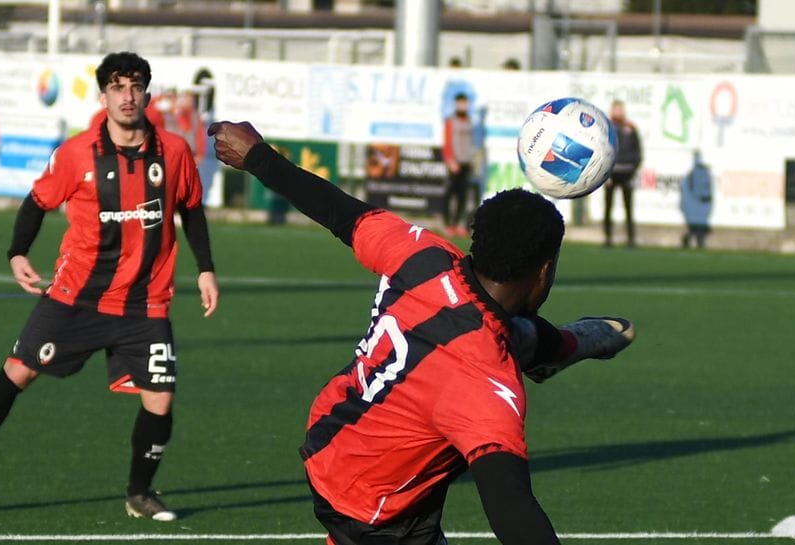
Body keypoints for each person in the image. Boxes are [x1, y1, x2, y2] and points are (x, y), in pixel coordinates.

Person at [209, 120, 636, 544]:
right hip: (376, 508)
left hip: (335, 431)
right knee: (503, 338)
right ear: (543, 271)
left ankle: (562, 346)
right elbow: (511, 506)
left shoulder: (421, 253)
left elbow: (338, 211)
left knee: (510, 332)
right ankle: (558, 349)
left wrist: (257, 157)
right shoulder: (485, 380)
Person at [0, 52, 220, 522]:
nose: (127, 96)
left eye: (135, 86)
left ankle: (140, 493)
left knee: (161, 399)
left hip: (145, 303)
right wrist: (18, 252)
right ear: (103, 97)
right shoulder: (77, 153)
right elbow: (37, 202)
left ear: (146, 94)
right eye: (117, 87)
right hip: (76, 297)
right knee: (18, 373)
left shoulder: (175, 151)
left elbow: (192, 207)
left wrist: (205, 268)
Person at [603, 100, 643, 247]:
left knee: (628, 208)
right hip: (611, 173)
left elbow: (638, 151)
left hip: (627, 172)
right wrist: (604, 173)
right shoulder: (606, 127)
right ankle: (608, 238)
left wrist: (634, 169)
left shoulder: (630, 127)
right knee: (608, 207)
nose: (618, 112)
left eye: (620, 109)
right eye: (615, 109)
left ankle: (631, 239)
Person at [442, 92, 478, 237]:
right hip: (454, 163)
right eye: (461, 103)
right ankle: (448, 224)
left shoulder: (469, 121)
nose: (463, 106)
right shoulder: (451, 121)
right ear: (456, 104)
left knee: (463, 196)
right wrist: (450, 160)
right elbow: (447, 142)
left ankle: (458, 224)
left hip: (466, 163)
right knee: (451, 194)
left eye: (465, 103)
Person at [680, 150, 713, 249]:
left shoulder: (701, 173)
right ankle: (694, 240)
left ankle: (697, 241)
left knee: (699, 226)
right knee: (697, 227)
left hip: (701, 202)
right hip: (698, 202)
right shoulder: (694, 174)